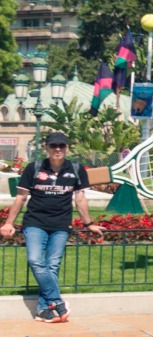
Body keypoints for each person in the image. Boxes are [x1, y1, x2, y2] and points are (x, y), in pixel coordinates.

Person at [1, 132, 102, 323]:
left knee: (52, 266)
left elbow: (80, 199)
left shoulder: (76, 169)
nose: (57, 149)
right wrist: (9, 223)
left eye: (61, 146)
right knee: (35, 260)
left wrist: (88, 223)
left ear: (67, 148)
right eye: (53, 146)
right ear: (46, 148)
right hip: (35, 223)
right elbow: (21, 197)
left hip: (61, 225)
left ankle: (43, 309)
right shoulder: (34, 168)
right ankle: (57, 301)